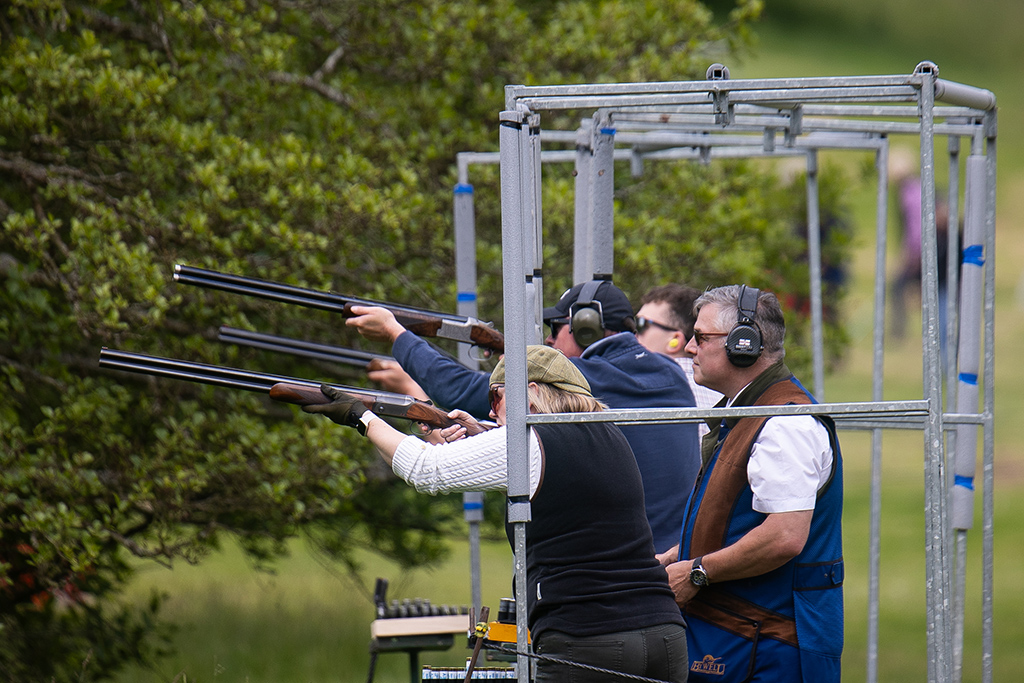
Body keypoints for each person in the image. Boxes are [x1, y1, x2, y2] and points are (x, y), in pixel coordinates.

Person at [304, 346, 689, 682]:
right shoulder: (607, 434)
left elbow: (426, 470)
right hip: (664, 636)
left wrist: (361, 418)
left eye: (497, 396)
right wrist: (477, 435)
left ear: (531, 393)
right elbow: (538, 461)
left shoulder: (533, 442)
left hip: (590, 639)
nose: (491, 408)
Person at [346, 280, 701, 552]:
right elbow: (561, 445)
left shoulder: (589, 380)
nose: (549, 340)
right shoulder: (671, 376)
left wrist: (396, 333)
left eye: (555, 328)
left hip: (621, 570)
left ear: (586, 328)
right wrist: (485, 429)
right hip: (666, 558)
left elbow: (458, 391)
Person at [655, 285, 843, 683]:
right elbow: (742, 517)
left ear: (745, 345)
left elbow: (784, 536)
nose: (688, 347)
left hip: (772, 649)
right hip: (744, 641)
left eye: (701, 337)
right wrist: (680, 554)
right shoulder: (752, 412)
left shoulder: (784, 424)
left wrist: (697, 572)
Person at [636, 284, 724, 437]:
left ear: (675, 340)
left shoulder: (645, 390)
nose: (633, 333)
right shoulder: (725, 394)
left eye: (642, 324)